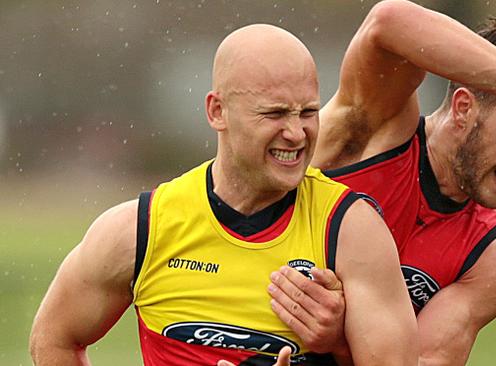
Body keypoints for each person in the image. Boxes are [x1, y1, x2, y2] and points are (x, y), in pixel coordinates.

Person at [266, 1, 496, 365]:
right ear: (464, 108)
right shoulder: (376, 130)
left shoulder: (491, 260)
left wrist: (341, 342)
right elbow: (390, 21)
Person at [29, 24, 418, 366]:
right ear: (218, 112)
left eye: (308, 112)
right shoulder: (139, 229)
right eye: (275, 113)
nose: (297, 133)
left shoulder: (351, 230)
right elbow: (53, 339)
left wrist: (339, 348)